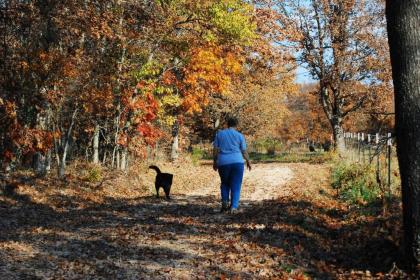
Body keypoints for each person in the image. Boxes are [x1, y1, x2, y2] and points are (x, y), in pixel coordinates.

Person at [213, 116, 252, 214]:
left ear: (227, 124)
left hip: (223, 162)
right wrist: (248, 161)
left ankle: (225, 202)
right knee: (236, 185)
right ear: (236, 124)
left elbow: (215, 150)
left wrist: (215, 161)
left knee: (225, 183)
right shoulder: (239, 135)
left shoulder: (219, 134)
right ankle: (234, 207)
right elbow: (243, 150)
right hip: (237, 162)